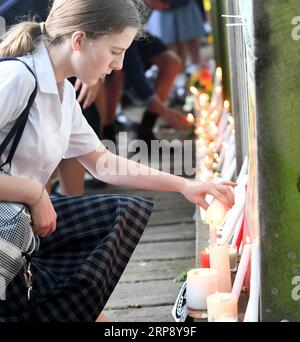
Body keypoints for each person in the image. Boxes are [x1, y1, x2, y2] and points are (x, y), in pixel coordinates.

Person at [0, 0, 234, 322]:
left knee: (123, 212)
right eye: (114, 51)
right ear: (79, 40)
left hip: (19, 225)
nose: (120, 65)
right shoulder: (15, 78)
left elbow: (102, 163)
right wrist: (35, 193)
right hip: (11, 221)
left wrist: (185, 184)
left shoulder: (63, 93)